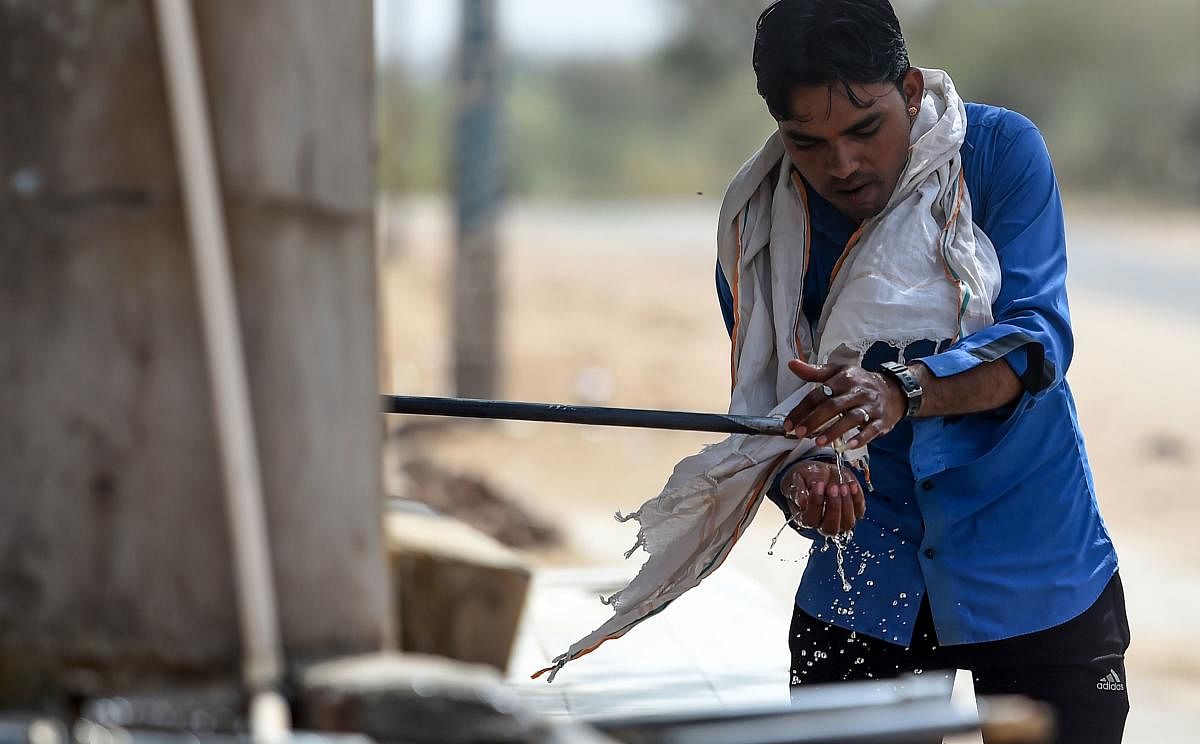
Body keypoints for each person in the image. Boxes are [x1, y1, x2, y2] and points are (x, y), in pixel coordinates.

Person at [709, 1, 1129, 742]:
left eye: (865, 129)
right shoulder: (759, 229)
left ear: (909, 90)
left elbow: (1038, 343)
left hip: (1033, 562)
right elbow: (771, 413)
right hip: (863, 579)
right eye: (808, 143)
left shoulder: (1000, 153)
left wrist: (904, 391)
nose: (843, 165)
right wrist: (800, 479)